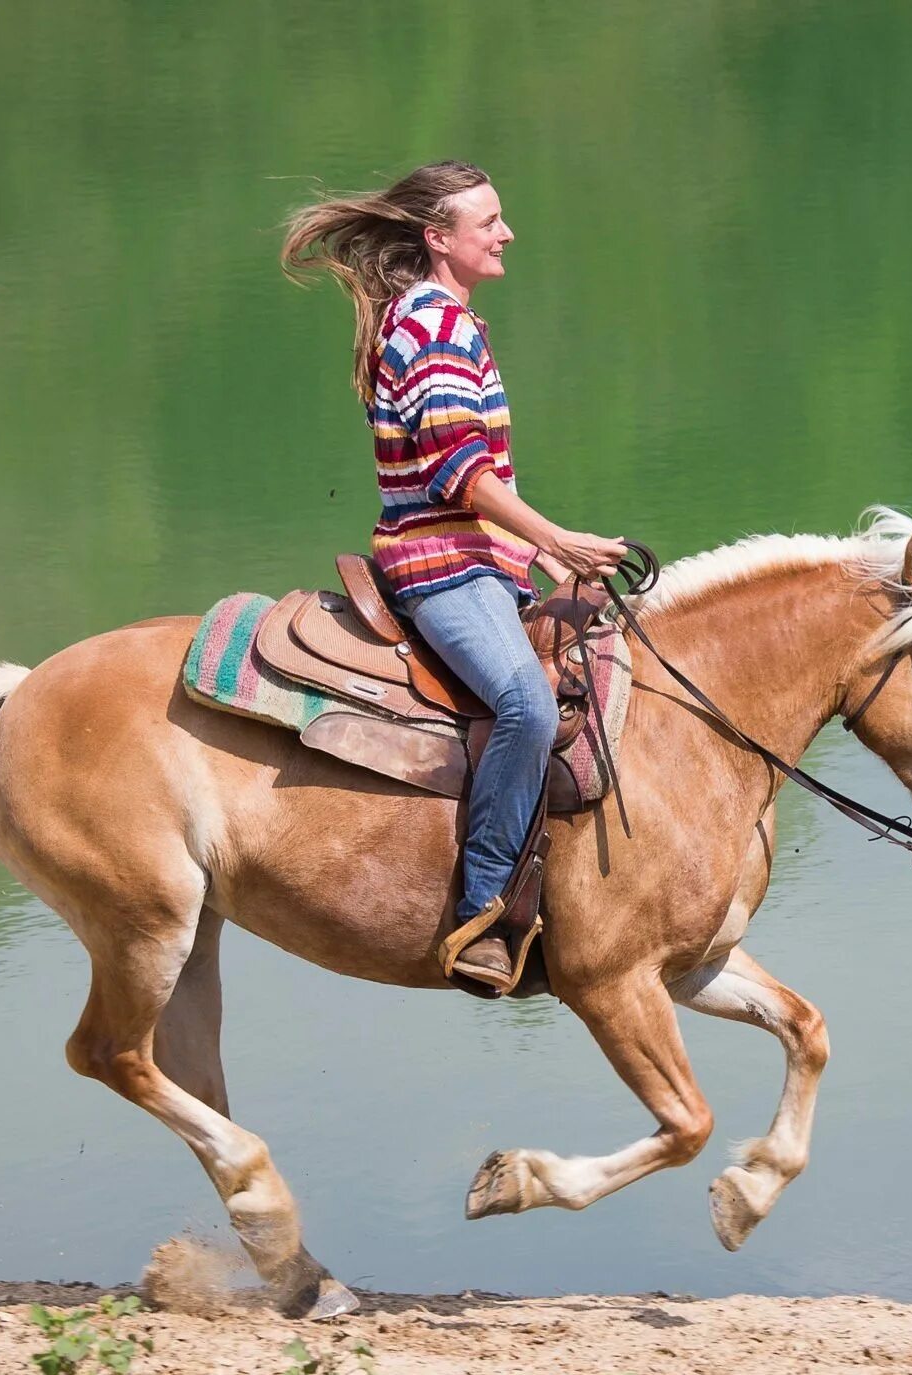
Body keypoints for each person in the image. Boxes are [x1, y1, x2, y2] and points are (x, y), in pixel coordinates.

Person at [282, 161, 625, 989]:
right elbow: (459, 474)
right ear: (440, 240)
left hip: (479, 559)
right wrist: (559, 538)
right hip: (440, 570)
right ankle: (484, 908)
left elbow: (469, 476)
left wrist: (535, 552)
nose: (506, 234)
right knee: (526, 702)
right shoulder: (435, 327)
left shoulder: (444, 317)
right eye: (489, 223)